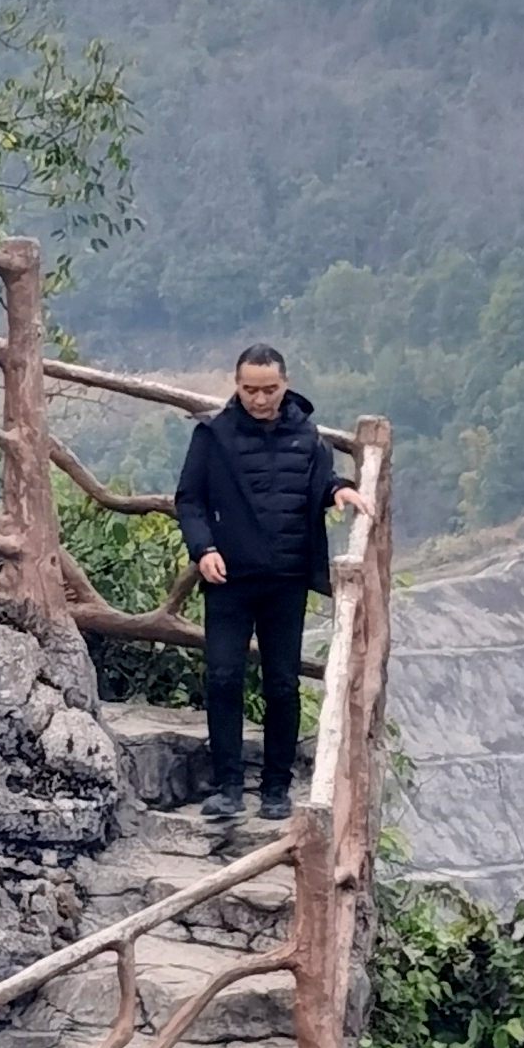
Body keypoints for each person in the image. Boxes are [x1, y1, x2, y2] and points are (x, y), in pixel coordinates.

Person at [173, 344, 373, 822]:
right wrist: (204, 549)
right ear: (236, 385)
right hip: (229, 578)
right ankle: (227, 786)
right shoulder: (213, 435)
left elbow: (320, 483)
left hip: (287, 579)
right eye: (249, 389)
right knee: (223, 678)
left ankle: (276, 789)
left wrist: (340, 489)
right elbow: (189, 500)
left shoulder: (307, 436)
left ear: (285, 384)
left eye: (269, 389)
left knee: (282, 684)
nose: (259, 399)